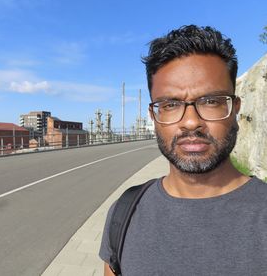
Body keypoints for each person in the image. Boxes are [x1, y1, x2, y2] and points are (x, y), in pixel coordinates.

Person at [99, 25, 267, 276]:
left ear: (235, 109)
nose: (190, 122)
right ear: (154, 116)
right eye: (170, 104)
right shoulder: (123, 213)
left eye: (211, 101)